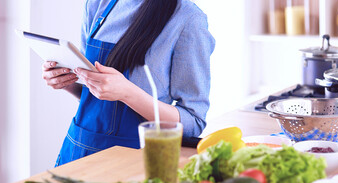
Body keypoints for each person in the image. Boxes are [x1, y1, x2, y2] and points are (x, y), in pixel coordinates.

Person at [41, 0, 215, 166]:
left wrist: (127, 93)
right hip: (78, 149)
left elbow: (193, 121)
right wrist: (67, 82)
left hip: (135, 160)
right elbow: (95, 96)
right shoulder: (98, 4)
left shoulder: (188, 18)